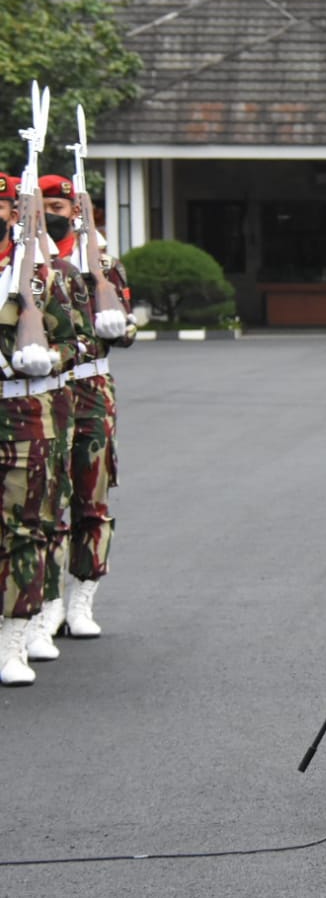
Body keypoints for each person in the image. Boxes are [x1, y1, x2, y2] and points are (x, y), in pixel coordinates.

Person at [38, 174, 134, 645]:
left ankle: (83, 597)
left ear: (76, 211)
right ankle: (47, 602)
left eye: (61, 206)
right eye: (46, 206)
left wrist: (111, 317)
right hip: (50, 391)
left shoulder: (99, 258)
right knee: (45, 501)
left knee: (90, 496)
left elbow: (127, 329)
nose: (54, 214)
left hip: (92, 387)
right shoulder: (32, 263)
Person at [0, 173, 81, 686]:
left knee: (24, 529)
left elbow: (72, 344)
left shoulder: (32, 276)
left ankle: (14, 640)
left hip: (21, 414)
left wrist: (43, 357)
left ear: (13, 213)